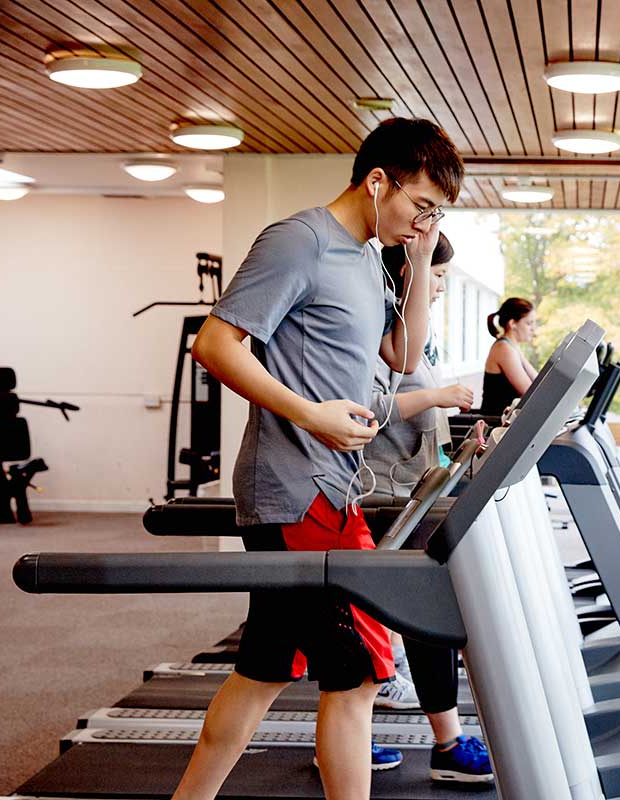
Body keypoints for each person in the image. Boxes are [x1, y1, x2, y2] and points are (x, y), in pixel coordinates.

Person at [175, 117, 463, 800]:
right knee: (358, 674)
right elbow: (214, 345)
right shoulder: (300, 241)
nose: (424, 221)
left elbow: (404, 356)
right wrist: (308, 413)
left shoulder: (368, 257)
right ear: (377, 182)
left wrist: (422, 255)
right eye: (421, 206)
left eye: (436, 213)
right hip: (296, 487)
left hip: (330, 486)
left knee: (266, 667)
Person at [364, 233, 494, 783]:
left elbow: (420, 413)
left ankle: (444, 741)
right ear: (407, 274)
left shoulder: (416, 331)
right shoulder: (372, 326)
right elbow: (365, 408)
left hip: (417, 490)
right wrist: (437, 397)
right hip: (382, 494)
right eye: (436, 275)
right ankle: (432, 742)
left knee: (422, 619)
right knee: (407, 619)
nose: (441, 286)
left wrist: (461, 438)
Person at [479, 297, 537, 416]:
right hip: (495, 422)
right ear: (512, 324)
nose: (533, 329)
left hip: (508, 419)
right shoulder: (504, 349)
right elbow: (529, 392)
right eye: (529, 323)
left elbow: (537, 381)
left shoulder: (513, 347)